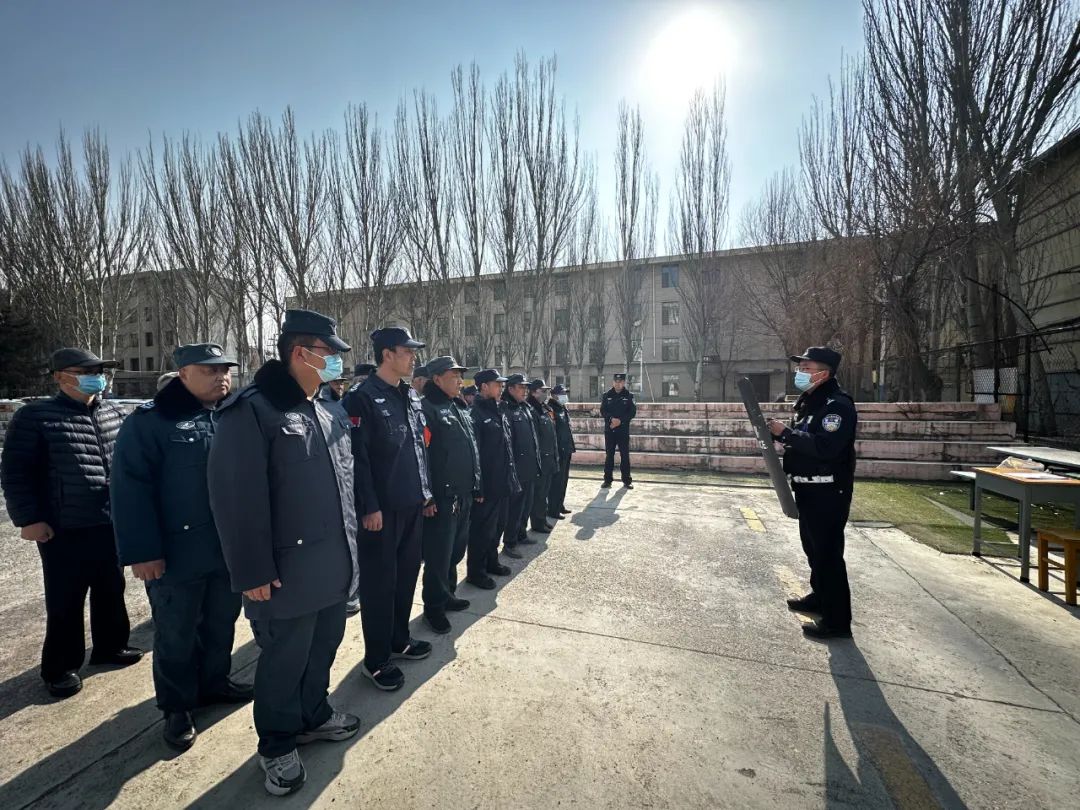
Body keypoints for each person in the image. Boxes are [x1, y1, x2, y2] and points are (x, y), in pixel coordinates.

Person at [208, 310, 360, 796]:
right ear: (302, 352)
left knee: (323, 648)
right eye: (330, 352)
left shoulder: (328, 408)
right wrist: (251, 569)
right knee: (283, 661)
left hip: (333, 563)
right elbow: (236, 499)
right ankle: (276, 743)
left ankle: (313, 714)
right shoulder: (252, 409)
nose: (337, 360)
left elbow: (343, 488)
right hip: (284, 571)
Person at [111, 343, 252, 751]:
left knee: (221, 622)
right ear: (183, 374)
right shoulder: (151, 422)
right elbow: (129, 491)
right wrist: (142, 551)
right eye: (209, 371)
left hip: (225, 550)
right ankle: (177, 707)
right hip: (175, 554)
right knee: (176, 634)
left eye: (225, 370)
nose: (221, 377)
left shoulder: (231, 417)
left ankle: (215, 683)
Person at [1, 348, 143, 699]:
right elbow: (15, 473)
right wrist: (29, 519)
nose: (96, 377)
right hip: (63, 525)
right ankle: (61, 667)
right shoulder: (36, 416)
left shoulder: (113, 411)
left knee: (111, 588)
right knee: (65, 599)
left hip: (109, 520)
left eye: (99, 371)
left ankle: (110, 646)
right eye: (86, 371)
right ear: (60, 377)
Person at [346, 326, 434, 692]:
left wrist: (425, 492)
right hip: (381, 512)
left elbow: (417, 447)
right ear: (387, 355)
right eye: (407, 351)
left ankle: (399, 640)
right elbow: (359, 458)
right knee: (380, 585)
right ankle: (377, 659)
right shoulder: (362, 398)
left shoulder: (409, 396)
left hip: (412, 503)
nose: (413, 357)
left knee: (406, 576)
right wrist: (369, 506)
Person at [767, 346, 857, 641]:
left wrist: (787, 434)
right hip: (808, 488)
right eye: (800, 368)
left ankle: (837, 622)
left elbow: (826, 447)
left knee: (828, 556)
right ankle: (820, 598)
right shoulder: (811, 404)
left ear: (824, 373)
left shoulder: (837, 406)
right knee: (814, 551)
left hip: (828, 491)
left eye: (806, 368)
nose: (801, 374)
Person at [418, 356, 481, 634]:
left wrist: (476, 484)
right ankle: (433, 607)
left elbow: (471, 449)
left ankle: (448, 595)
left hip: (464, 493)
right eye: (454, 375)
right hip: (442, 498)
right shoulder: (427, 409)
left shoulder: (458, 406)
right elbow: (422, 456)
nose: (459, 380)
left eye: (460, 375)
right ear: (437, 379)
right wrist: (427, 496)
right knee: (438, 555)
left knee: (456, 550)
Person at [466, 369, 519, 589]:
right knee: (481, 530)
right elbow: (474, 453)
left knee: (497, 526)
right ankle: (476, 572)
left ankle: (491, 562)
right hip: (486, 485)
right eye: (496, 384)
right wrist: (477, 487)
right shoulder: (476, 413)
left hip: (502, 481)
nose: (501, 388)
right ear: (484, 387)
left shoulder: (499, 410)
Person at [500, 374, 540, 559]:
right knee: (514, 508)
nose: (525, 390)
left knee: (526, 504)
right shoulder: (506, 408)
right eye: (520, 387)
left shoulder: (525, 407)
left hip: (529, 466)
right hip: (516, 467)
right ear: (510, 389)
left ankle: (521, 533)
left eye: (526, 387)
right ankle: (510, 541)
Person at [526, 379, 559, 534]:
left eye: (546, 391)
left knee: (545, 492)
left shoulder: (543, 408)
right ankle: (537, 523)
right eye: (542, 390)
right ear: (533, 392)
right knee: (539, 493)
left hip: (549, 456)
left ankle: (542, 519)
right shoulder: (531, 409)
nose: (546, 393)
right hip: (540, 459)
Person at [600, 372, 636, 489]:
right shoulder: (607, 395)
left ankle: (627, 480)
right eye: (616, 381)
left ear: (624, 382)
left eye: (620, 382)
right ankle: (607, 480)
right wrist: (611, 419)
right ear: (613, 382)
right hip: (610, 431)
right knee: (609, 455)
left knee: (624, 455)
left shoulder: (629, 395)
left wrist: (620, 421)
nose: (618, 384)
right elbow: (603, 411)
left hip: (623, 430)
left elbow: (632, 412)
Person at [547, 384, 576, 519]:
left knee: (563, 480)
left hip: (566, 449)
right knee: (556, 482)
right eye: (562, 394)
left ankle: (560, 505)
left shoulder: (562, 408)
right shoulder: (551, 409)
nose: (565, 396)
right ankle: (553, 509)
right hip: (558, 451)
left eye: (565, 393)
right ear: (553, 395)